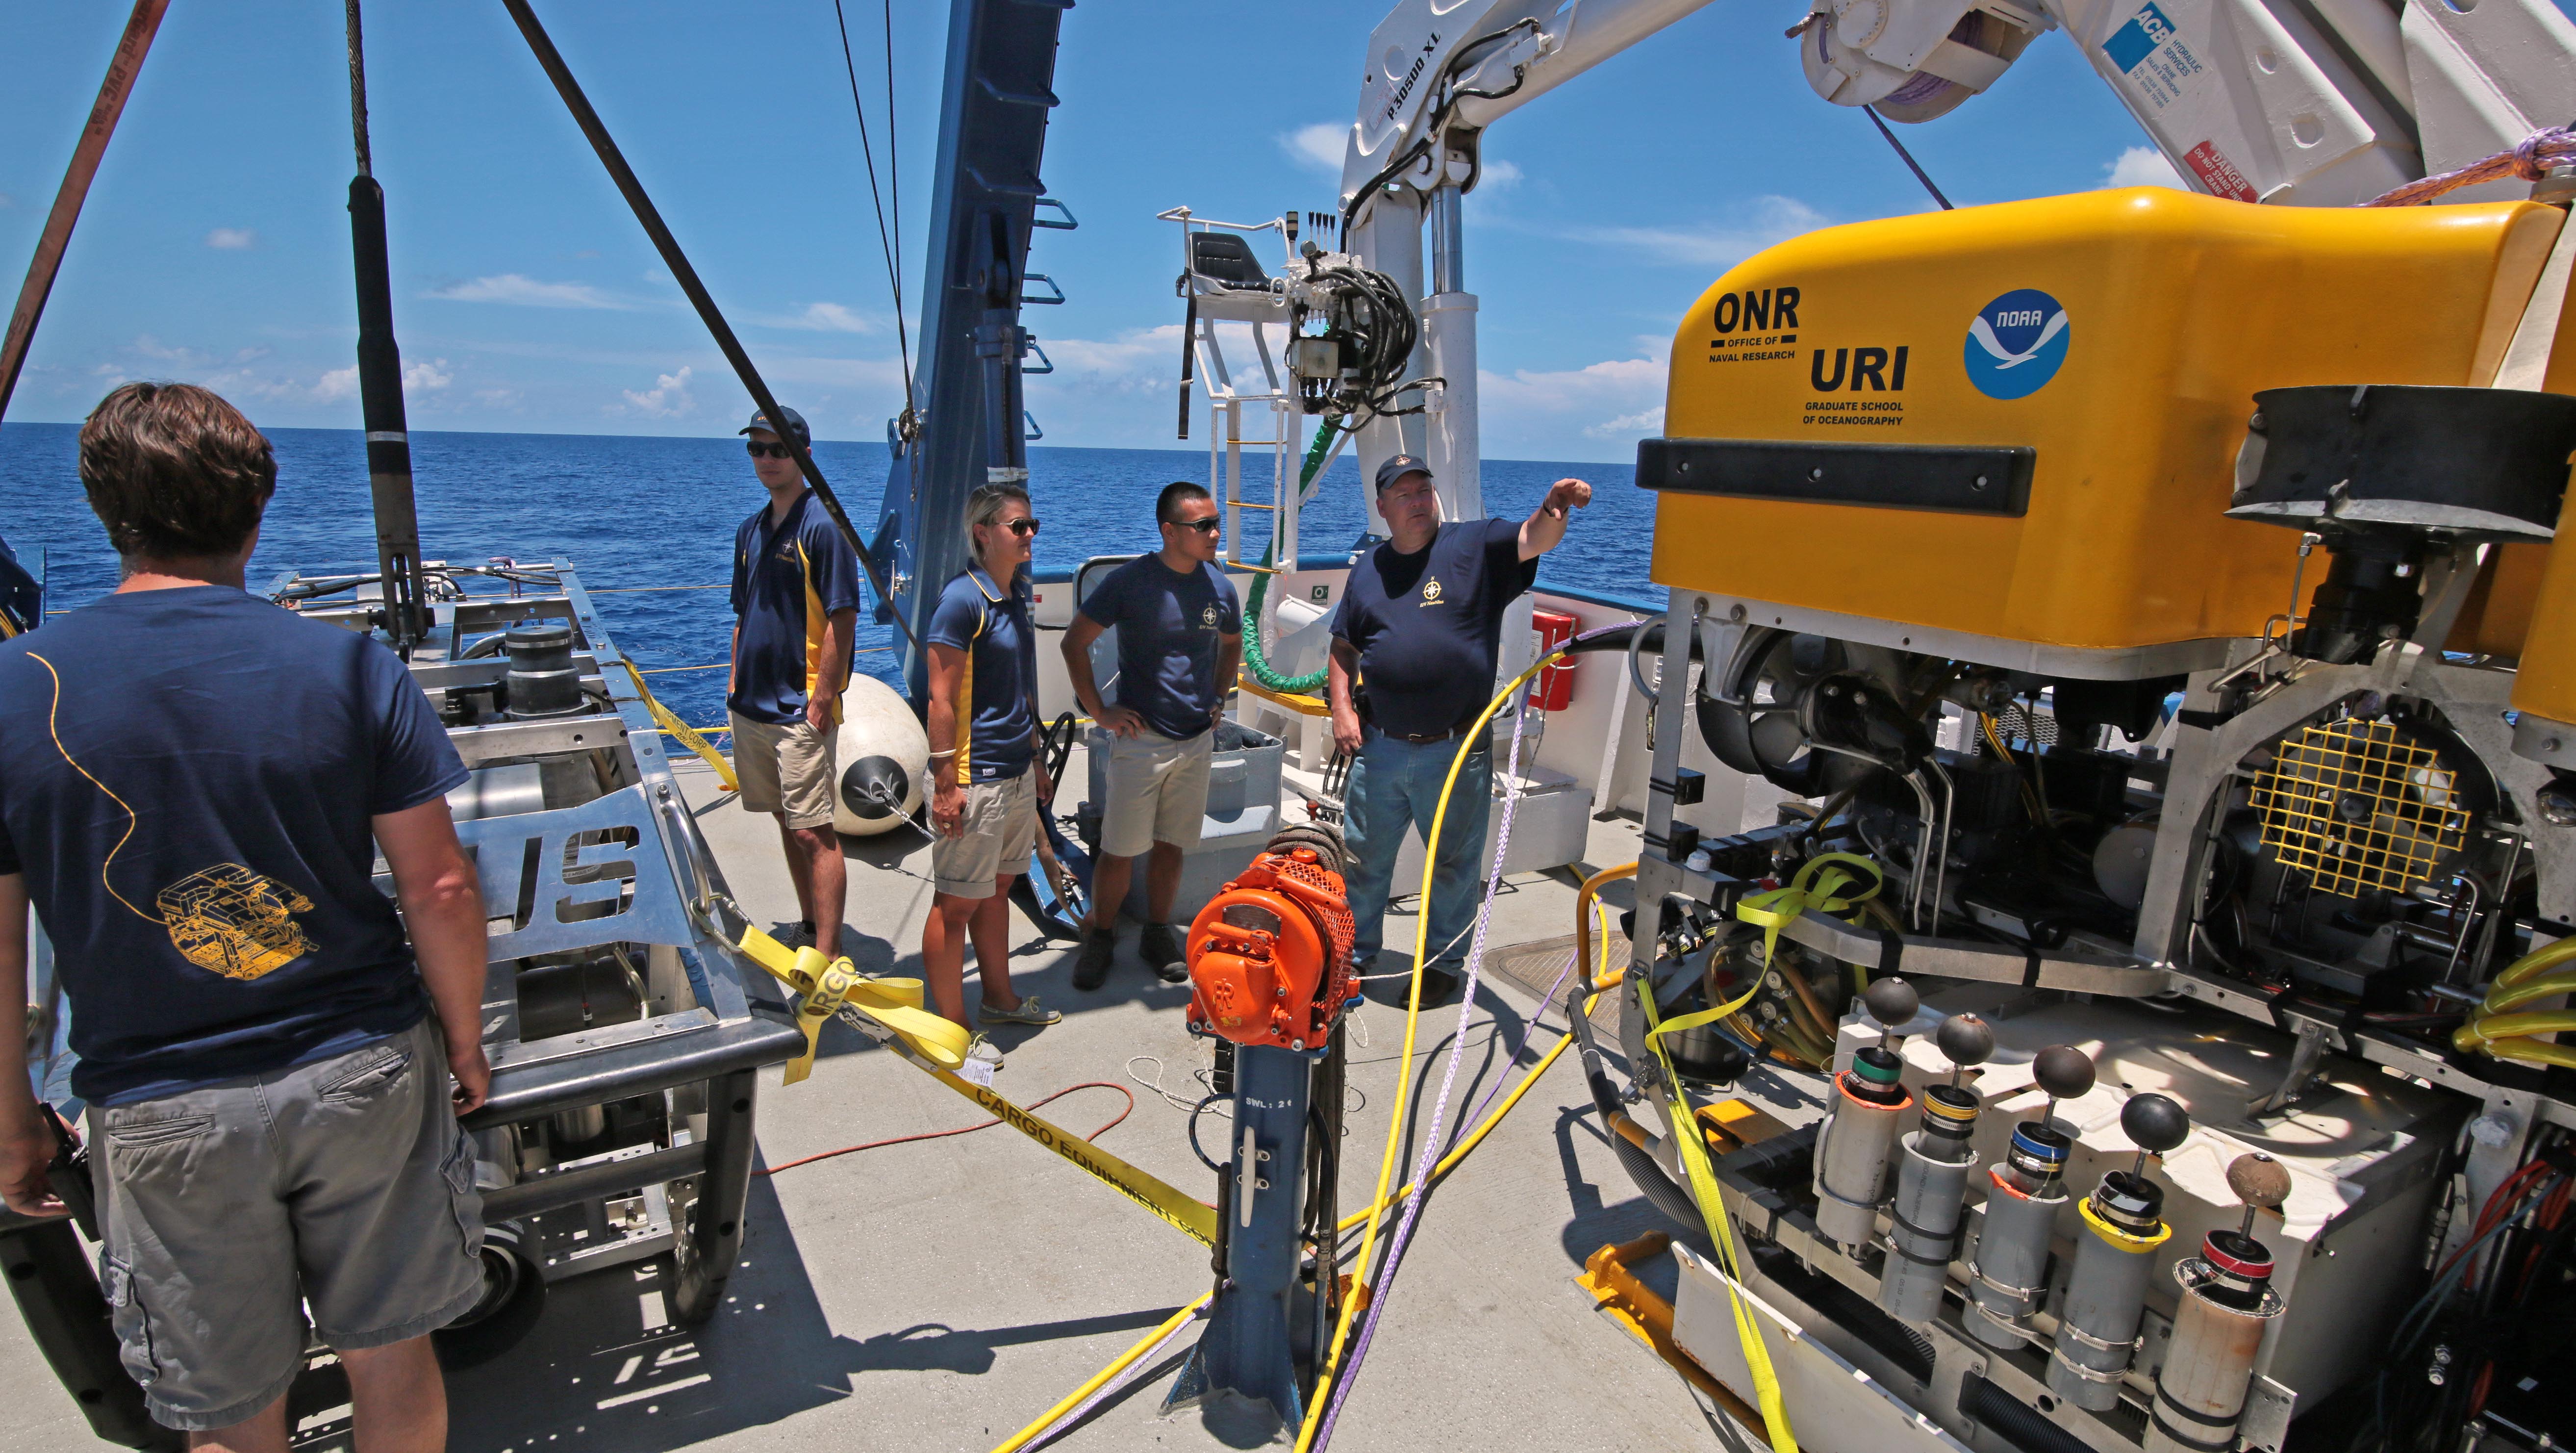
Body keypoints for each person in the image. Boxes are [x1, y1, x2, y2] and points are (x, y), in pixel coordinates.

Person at [0, 382, 492, 1451]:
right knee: (393, 1355)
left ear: (102, 510)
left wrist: (10, 1120)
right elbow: (440, 885)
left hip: (162, 1102)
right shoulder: (349, 665)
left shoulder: (13, 686)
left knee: (226, 1410)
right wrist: (463, 1041)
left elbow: (1, 943)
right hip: (362, 1065)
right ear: (255, 516)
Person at [1327, 455, 1592, 997]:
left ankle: (1444, 967)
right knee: (1363, 862)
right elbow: (1343, 645)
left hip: (1454, 748)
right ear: (1382, 508)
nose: (1417, 502)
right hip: (1378, 747)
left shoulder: (1473, 546)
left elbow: (1532, 538)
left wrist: (1554, 506)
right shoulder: (1368, 568)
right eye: (1402, 495)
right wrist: (1341, 709)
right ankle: (1352, 958)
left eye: (1423, 490)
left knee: (1451, 866)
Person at [1061, 482, 1243, 988]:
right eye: (1203, 525)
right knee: (1120, 850)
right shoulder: (1130, 583)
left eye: (1215, 522)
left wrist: (1218, 696)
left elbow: (1232, 643)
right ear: (1169, 531)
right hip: (1142, 741)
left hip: (1196, 739)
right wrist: (1100, 711)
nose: (1214, 533)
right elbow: (1075, 643)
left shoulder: (1218, 585)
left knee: (1172, 845)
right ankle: (1100, 933)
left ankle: (1157, 932)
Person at [923, 482, 1062, 1069]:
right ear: (983, 532)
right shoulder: (964, 600)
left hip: (1012, 772)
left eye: (1032, 525)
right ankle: (949, 1025)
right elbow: (941, 698)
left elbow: (1017, 693)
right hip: (973, 776)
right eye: (1017, 526)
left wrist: (1034, 760)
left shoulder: (1015, 595)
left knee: (1000, 888)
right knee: (955, 902)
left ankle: (999, 998)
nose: (1029, 535)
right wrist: (946, 784)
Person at [726, 405, 859, 959]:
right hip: (751, 703)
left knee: (814, 831)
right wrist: (733, 680)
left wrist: (823, 698)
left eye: (777, 449)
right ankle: (809, 922)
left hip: (797, 707)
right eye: (756, 448)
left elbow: (842, 616)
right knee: (784, 817)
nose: (766, 459)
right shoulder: (751, 529)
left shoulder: (821, 525)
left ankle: (828, 953)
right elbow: (743, 611)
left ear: (802, 454)